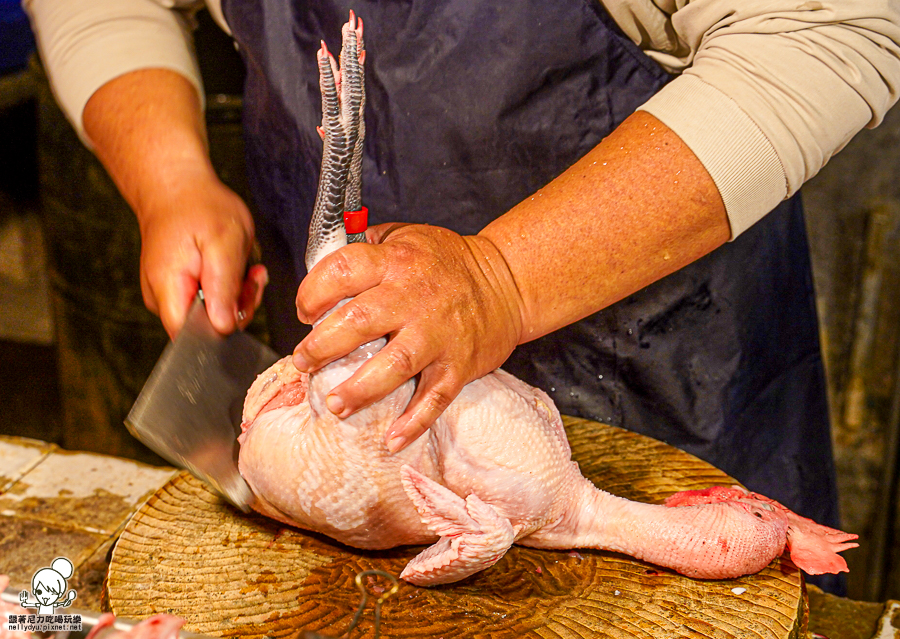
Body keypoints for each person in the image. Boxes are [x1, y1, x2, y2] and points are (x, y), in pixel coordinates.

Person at [25, 0, 900, 593]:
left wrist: (503, 276)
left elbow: (834, 25)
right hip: (351, 375)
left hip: (664, 365)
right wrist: (169, 178)